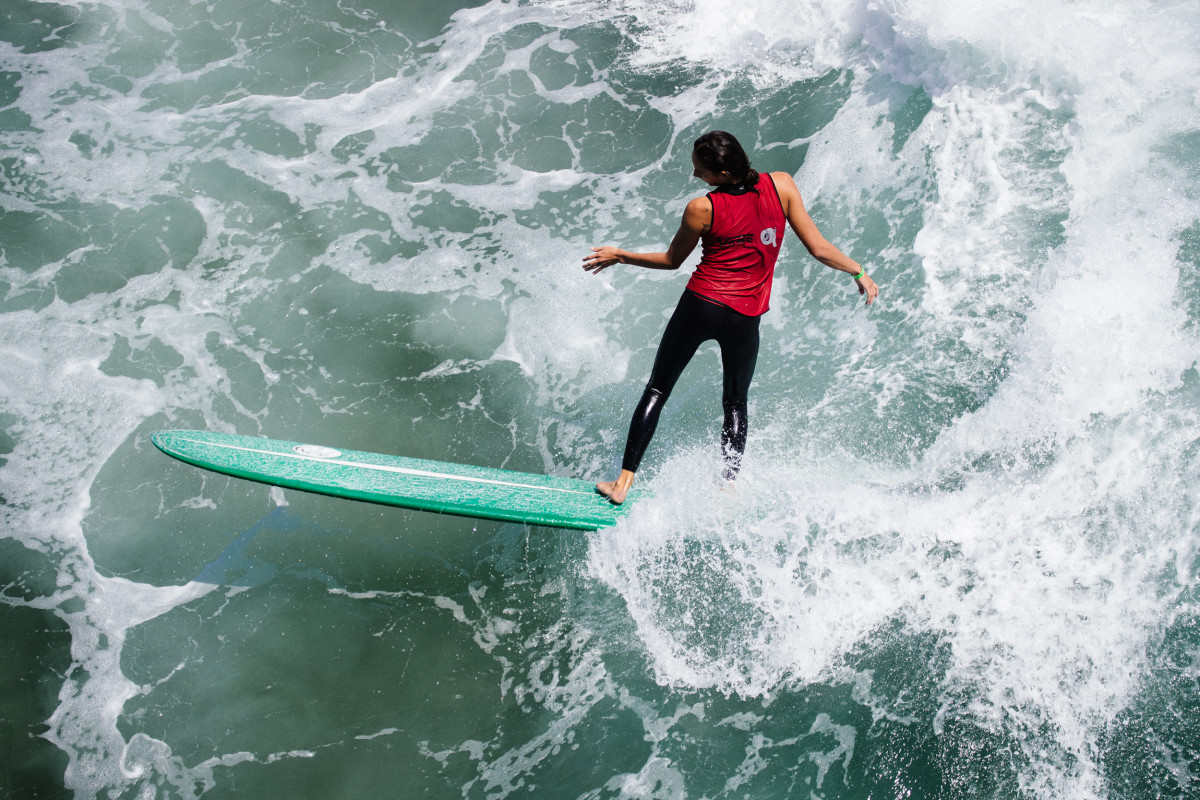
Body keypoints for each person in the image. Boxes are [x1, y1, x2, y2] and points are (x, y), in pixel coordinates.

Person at [582, 131, 879, 505]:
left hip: (701, 305)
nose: (696, 177)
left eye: (700, 171)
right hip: (745, 316)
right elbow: (818, 247)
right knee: (736, 402)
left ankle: (622, 485)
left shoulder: (702, 208)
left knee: (658, 389)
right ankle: (726, 487)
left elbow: (673, 261)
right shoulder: (782, 185)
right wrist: (858, 272)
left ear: (722, 172)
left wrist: (620, 255)